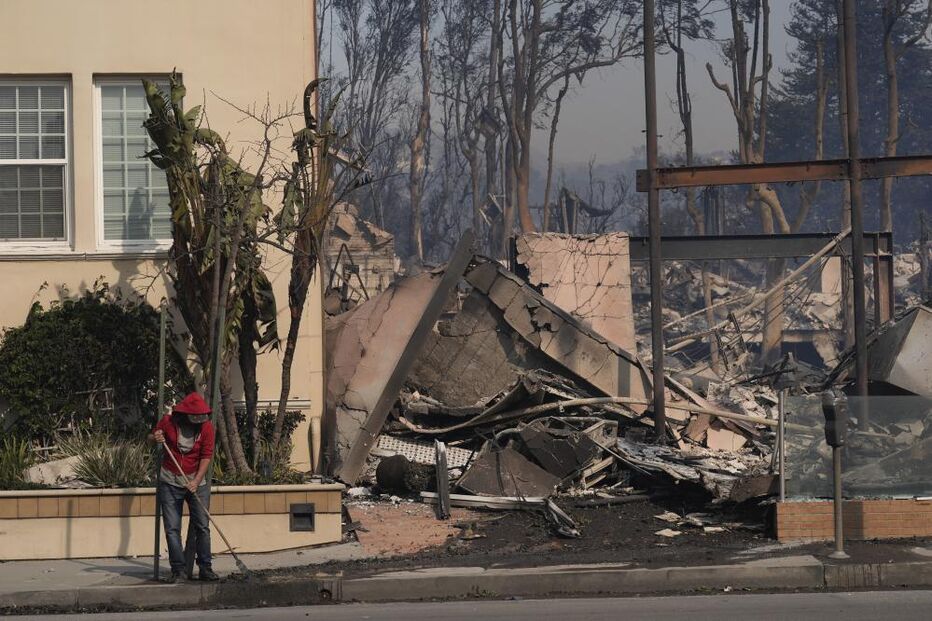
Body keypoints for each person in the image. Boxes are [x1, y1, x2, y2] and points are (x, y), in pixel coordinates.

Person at [148, 392, 219, 583]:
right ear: (184, 415)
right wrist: (156, 438)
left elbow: (206, 455)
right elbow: (151, 437)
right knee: (172, 528)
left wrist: (196, 481)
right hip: (170, 481)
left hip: (197, 482)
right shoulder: (167, 422)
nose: (197, 422)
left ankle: (206, 568)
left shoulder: (207, 428)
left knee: (202, 526)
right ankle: (178, 570)